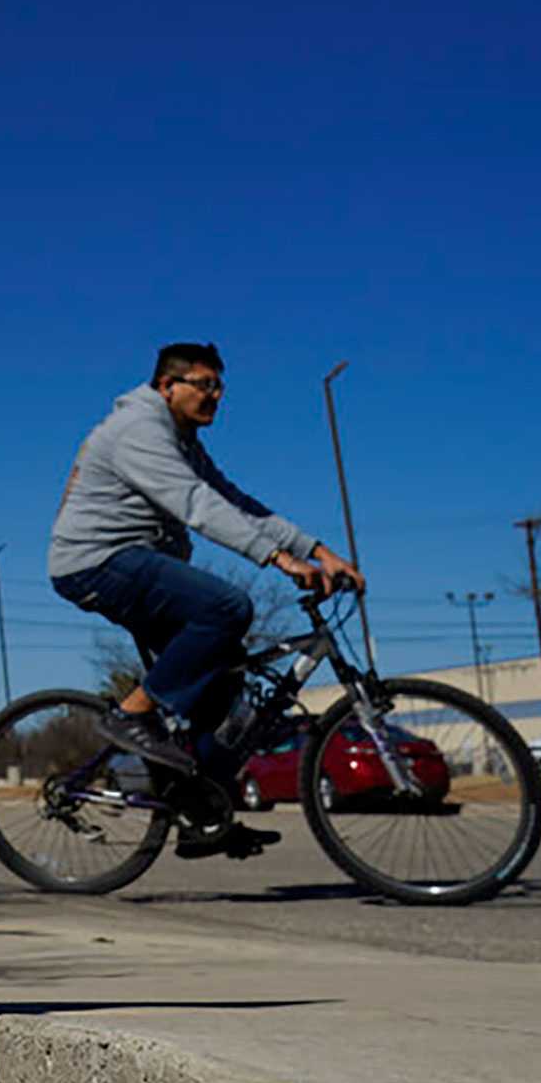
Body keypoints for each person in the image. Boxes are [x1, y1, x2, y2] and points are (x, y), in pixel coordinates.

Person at [47, 342, 366, 859]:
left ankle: (199, 815)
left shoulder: (183, 441)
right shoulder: (139, 431)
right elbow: (195, 505)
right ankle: (131, 716)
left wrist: (319, 551)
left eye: (220, 387)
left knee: (227, 687)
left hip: (138, 564)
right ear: (166, 386)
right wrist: (279, 561)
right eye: (204, 384)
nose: (215, 396)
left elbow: (235, 502)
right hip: (95, 563)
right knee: (228, 607)